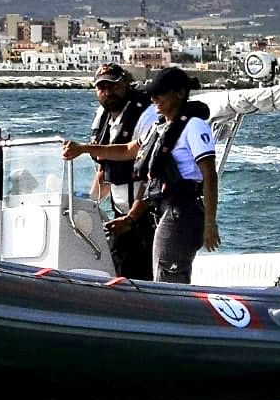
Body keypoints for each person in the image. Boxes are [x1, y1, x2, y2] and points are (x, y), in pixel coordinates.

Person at [63, 65, 220, 283]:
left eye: (160, 93)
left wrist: (210, 224)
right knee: (159, 271)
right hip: (164, 209)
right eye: (152, 93)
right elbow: (128, 150)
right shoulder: (161, 127)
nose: (154, 98)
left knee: (168, 275)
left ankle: (173, 311)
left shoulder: (194, 126)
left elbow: (210, 175)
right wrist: (83, 149)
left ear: (180, 93)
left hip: (182, 211)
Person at [82, 62, 156, 280]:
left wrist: (133, 217)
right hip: (120, 215)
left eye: (113, 85)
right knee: (119, 271)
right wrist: (87, 203)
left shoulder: (146, 115)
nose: (108, 92)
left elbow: (150, 174)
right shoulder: (103, 117)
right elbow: (105, 171)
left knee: (144, 275)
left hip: (146, 216)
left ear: (126, 84)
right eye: (102, 87)